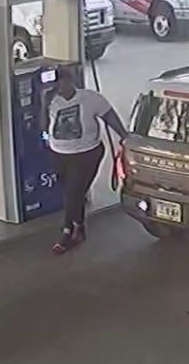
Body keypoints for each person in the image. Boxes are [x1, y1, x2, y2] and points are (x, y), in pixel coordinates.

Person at [42, 67, 127, 254]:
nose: (58, 86)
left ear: (70, 81)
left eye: (61, 81)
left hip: (87, 153)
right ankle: (79, 227)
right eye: (55, 83)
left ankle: (67, 230)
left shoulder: (90, 98)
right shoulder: (52, 101)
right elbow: (44, 127)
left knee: (73, 192)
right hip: (60, 153)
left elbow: (109, 116)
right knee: (72, 193)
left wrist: (124, 136)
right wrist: (44, 106)